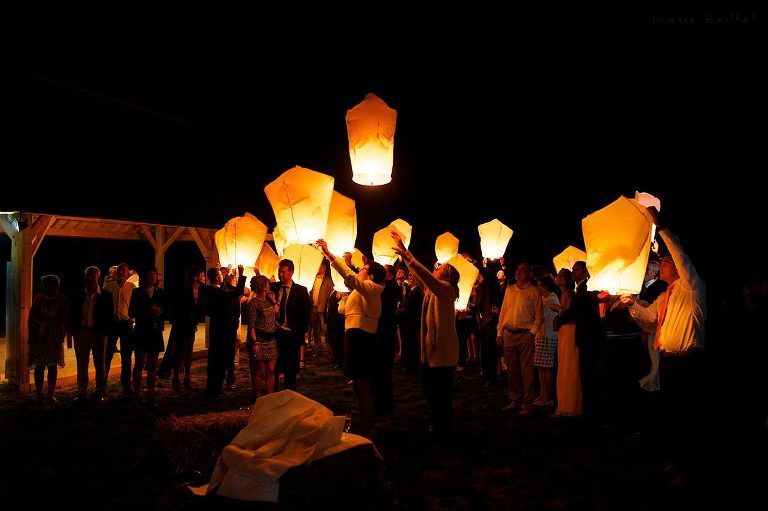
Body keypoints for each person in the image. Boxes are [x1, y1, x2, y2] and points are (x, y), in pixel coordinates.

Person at [621, 206, 706, 485]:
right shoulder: (666, 294)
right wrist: (631, 302)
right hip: (668, 360)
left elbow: (681, 256)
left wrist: (662, 226)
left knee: (687, 415)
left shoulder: (692, 287)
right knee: (672, 414)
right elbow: (650, 318)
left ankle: (689, 468)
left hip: (688, 361)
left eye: (665, 262)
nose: (662, 265)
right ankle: (676, 462)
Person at [391, 231, 460, 446]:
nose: (436, 267)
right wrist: (404, 256)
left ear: (447, 275)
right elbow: (422, 278)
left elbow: (426, 276)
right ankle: (438, 423)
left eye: (440, 267)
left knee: (441, 394)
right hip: (431, 352)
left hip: (443, 353)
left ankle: (444, 430)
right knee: (430, 391)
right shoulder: (433, 291)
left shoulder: (446, 289)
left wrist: (407, 254)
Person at [317, 239, 384, 437]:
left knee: (362, 384)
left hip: (361, 338)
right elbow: (342, 310)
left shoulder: (372, 288)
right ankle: (364, 422)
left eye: (363, 268)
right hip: (353, 335)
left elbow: (348, 275)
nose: (359, 271)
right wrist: (346, 297)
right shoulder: (362, 291)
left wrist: (329, 254)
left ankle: (368, 426)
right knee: (357, 383)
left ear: (370, 275)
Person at [496, 263, 543, 416]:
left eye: (522, 270)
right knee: (512, 370)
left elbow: (539, 316)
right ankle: (515, 399)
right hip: (509, 333)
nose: (518, 272)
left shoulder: (535, 292)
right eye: (517, 270)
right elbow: (504, 312)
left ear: (529, 274)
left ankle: (527, 402)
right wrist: (499, 332)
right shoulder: (509, 290)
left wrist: (532, 333)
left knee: (527, 370)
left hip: (525, 334)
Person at [69, 266, 114, 402]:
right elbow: (73, 314)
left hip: (98, 334)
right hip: (81, 333)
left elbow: (109, 316)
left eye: (92, 275)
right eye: (88, 275)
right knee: (81, 364)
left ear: (98, 277)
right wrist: (73, 332)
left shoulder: (106, 296)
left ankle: (100, 391)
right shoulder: (77, 294)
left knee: (100, 364)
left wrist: (105, 333)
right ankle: (82, 392)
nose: (90, 278)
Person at [28, 275, 69, 405]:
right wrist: (40, 325)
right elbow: (32, 314)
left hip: (54, 337)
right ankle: (39, 394)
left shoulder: (62, 299)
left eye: (47, 284)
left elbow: (65, 316)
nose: (44, 287)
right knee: (39, 366)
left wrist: (60, 329)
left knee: (52, 366)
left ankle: (50, 394)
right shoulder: (39, 298)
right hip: (41, 337)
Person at [270, 259, 311, 392]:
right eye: (279, 272)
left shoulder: (300, 291)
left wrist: (300, 334)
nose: (280, 275)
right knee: (274, 366)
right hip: (275, 333)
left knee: (291, 369)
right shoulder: (273, 288)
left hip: (291, 334)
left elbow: (305, 314)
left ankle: (289, 394)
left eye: (283, 272)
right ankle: (273, 393)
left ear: (291, 272)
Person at [103, 263, 136, 393]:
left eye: (124, 271)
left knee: (126, 355)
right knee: (107, 355)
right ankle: (102, 384)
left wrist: (132, 319)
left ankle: (126, 384)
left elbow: (134, 305)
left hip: (126, 324)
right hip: (112, 324)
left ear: (128, 273)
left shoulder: (132, 287)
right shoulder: (108, 287)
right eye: (120, 270)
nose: (122, 273)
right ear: (116, 273)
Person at [246, 275, 278, 399]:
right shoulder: (254, 303)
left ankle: (269, 396)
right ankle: (258, 396)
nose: (269, 286)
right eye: (268, 284)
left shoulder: (268, 300)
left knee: (270, 369)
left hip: (271, 339)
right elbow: (251, 325)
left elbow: (276, 312)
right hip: (259, 339)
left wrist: (274, 300)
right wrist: (255, 342)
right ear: (263, 287)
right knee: (259, 369)